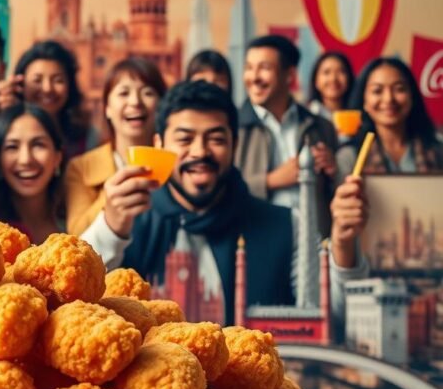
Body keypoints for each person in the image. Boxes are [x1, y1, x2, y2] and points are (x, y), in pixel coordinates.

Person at [80, 80, 368, 325]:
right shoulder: (130, 222)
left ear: (235, 145)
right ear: (159, 144)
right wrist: (111, 229)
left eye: (215, 139)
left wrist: (343, 244)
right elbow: (76, 302)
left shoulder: (286, 225)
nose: (200, 151)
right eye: (184, 139)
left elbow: (332, 316)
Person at [237, 34, 338, 237]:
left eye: (264, 68)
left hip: (314, 241)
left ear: (289, 75)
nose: (254, 77)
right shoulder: (232, 127)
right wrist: (270, 181)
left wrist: (333, 170)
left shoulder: (321, 127)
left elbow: (336, 195)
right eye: (249, 68)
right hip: (257, 241)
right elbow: (220, 192)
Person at [65, 58, 168, 236]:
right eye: (124, 93)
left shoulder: (172, 163)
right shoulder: (80, 168)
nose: (135, 102)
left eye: (147, 93)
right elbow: (76, 236)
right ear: (107, 109)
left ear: (161, 106)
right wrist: (113, 194)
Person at [0, 103, 64, 243]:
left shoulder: (76, 212)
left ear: (58, 157)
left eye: (38, 145)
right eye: (12, 147)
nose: (25, 159)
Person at [338, 57, 443, 173]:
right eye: (377, 91)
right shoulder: (349, 156)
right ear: (364, 101)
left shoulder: (438, 151)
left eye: (399, 89)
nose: (388, 99)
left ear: (412, 96)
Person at [13, 40, 100, 160]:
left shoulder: (87, 137)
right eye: (37, 80)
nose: (47, 89)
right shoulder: (7, 131)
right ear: (20, 84)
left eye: (58, 80)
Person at [307, 51, 355, 122]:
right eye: (326, 72)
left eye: (340, 71)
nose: (333, 79)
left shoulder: (360, 118)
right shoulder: (307, 117)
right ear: (316, 81)